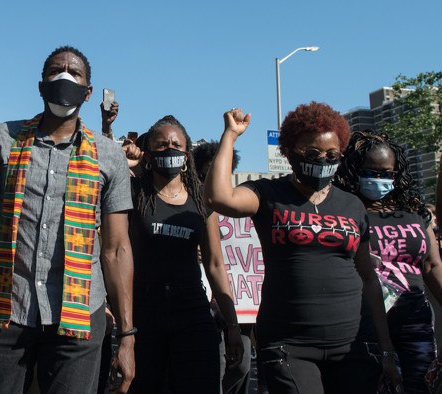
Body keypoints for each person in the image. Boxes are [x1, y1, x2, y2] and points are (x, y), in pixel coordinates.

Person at [0, 45, 136, 393]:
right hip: (5, 309)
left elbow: (116, 248)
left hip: (79, 315)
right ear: (40, 86)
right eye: (55, 71)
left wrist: (127, 335)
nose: (64, 77)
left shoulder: (109, 156)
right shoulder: (1, 138)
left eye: (74, 73)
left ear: (88, 90)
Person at [204, 104, 401, 393]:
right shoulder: (267, 193)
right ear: (288, 151)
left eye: (332, 155)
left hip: (353, 343)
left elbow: (369, 279)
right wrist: (230, 136)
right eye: (312, 154)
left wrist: (385, 349)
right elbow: (218, 197)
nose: (322, 160)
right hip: (289, 344)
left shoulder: (352, 205)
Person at [125, 117, 241, 393]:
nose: (170, 149)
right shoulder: (133, 192)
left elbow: (214, 264)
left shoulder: (200, 199)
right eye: (161, 145)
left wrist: (232, 324)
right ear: (149, 153)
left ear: (187, 154)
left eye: (176, 144)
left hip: (192, 313)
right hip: (145, 314)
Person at [334, 130, 442, 393]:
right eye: (371, 172)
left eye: (387, 173)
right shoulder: (344, 210)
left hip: (414, 320)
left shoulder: (414, 211)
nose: (379, 179)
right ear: (354, 170)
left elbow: (431, 266)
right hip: (362, 323)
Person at [191, 140, 253, 394]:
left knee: (243, 363)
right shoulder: (191, 204)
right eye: (207, 172)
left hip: (240, 302)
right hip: (204, 300)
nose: (212, 178)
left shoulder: (243, 204)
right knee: (213, 365)